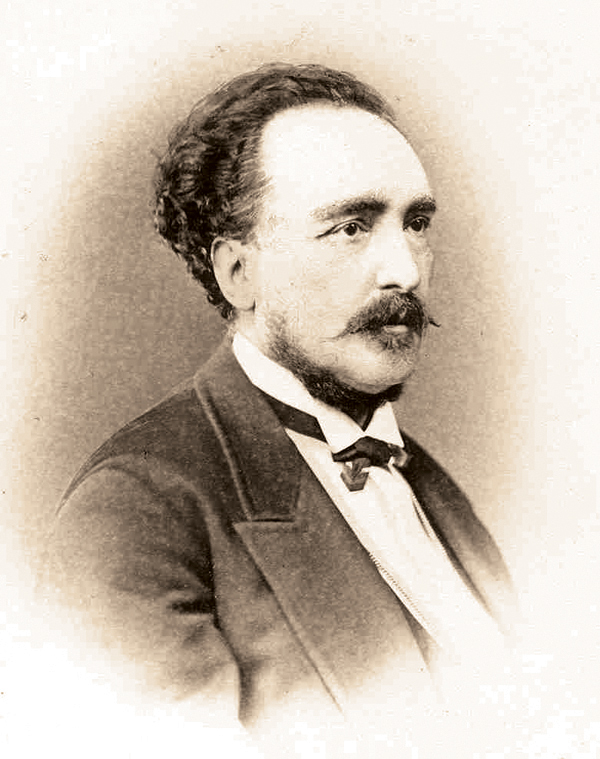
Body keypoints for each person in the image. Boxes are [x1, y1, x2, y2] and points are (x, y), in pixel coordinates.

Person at [45, 63, 516, 754]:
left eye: (416, 223)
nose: (406, 271)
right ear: (240, 273)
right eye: (351, 227)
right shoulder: (137, 508)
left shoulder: (432, 487)